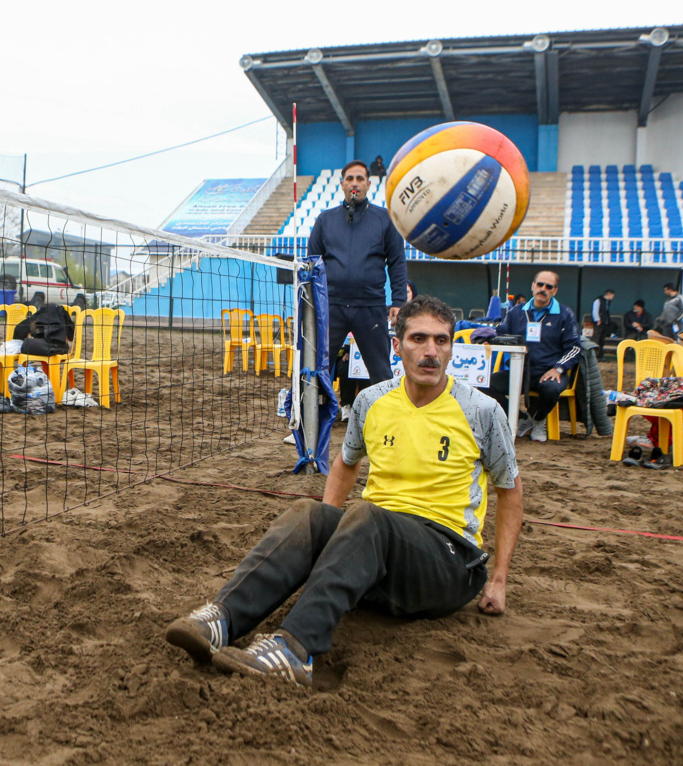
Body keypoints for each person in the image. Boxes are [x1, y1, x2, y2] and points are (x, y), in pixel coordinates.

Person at [165, 296, 522, 684]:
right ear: (397, 346)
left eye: (442, 340)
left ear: (453, 347)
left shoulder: (482, 411)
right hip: (377, 553)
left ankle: (294, 650)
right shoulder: (373, 401)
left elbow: (510, 490)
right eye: (419, 338)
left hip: (448, 563)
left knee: (367, 516)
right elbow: (345, 464)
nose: (431, 351)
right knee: (310, 513)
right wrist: (323, 537)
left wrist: (499, 579)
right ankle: (223, 619)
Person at [308, 160, 408, 391]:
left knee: (381, 372)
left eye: (360, 179)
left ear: (368, 185)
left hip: (370, 308)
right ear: (342, 184)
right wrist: (314, 302)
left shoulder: (385, 219)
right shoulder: (325, 220)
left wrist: (399, 301)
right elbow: (312, 263)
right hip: (331, 307)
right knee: (316, 369)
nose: (355, 183)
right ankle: (311, 423)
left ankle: (386, 424)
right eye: (350, 179)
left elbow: (397, 263)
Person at [490, 270, 581, 443]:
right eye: (540, 284)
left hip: (548, 371)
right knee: (484, 385)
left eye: (549, 286)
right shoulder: (515, 312)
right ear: (533, 286)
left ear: (555, 290)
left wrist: (558, 368)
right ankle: (522, 418)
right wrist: (488, 339)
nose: (543, 289)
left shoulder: (565, 314)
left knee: (551, 389)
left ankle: (538, 420)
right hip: (519, 371)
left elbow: (575, 348)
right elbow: (500, 333)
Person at [591, 289, 615, 360]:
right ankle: (593, 356)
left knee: (602, 340)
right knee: (596, 339)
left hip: (605, 323)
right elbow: (595, 311)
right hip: (599, 323)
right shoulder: (598, 300)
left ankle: (600, 355)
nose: (613, 298)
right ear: (609, 295)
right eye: (612, 296)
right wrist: (597, 319)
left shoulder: (607, 302)